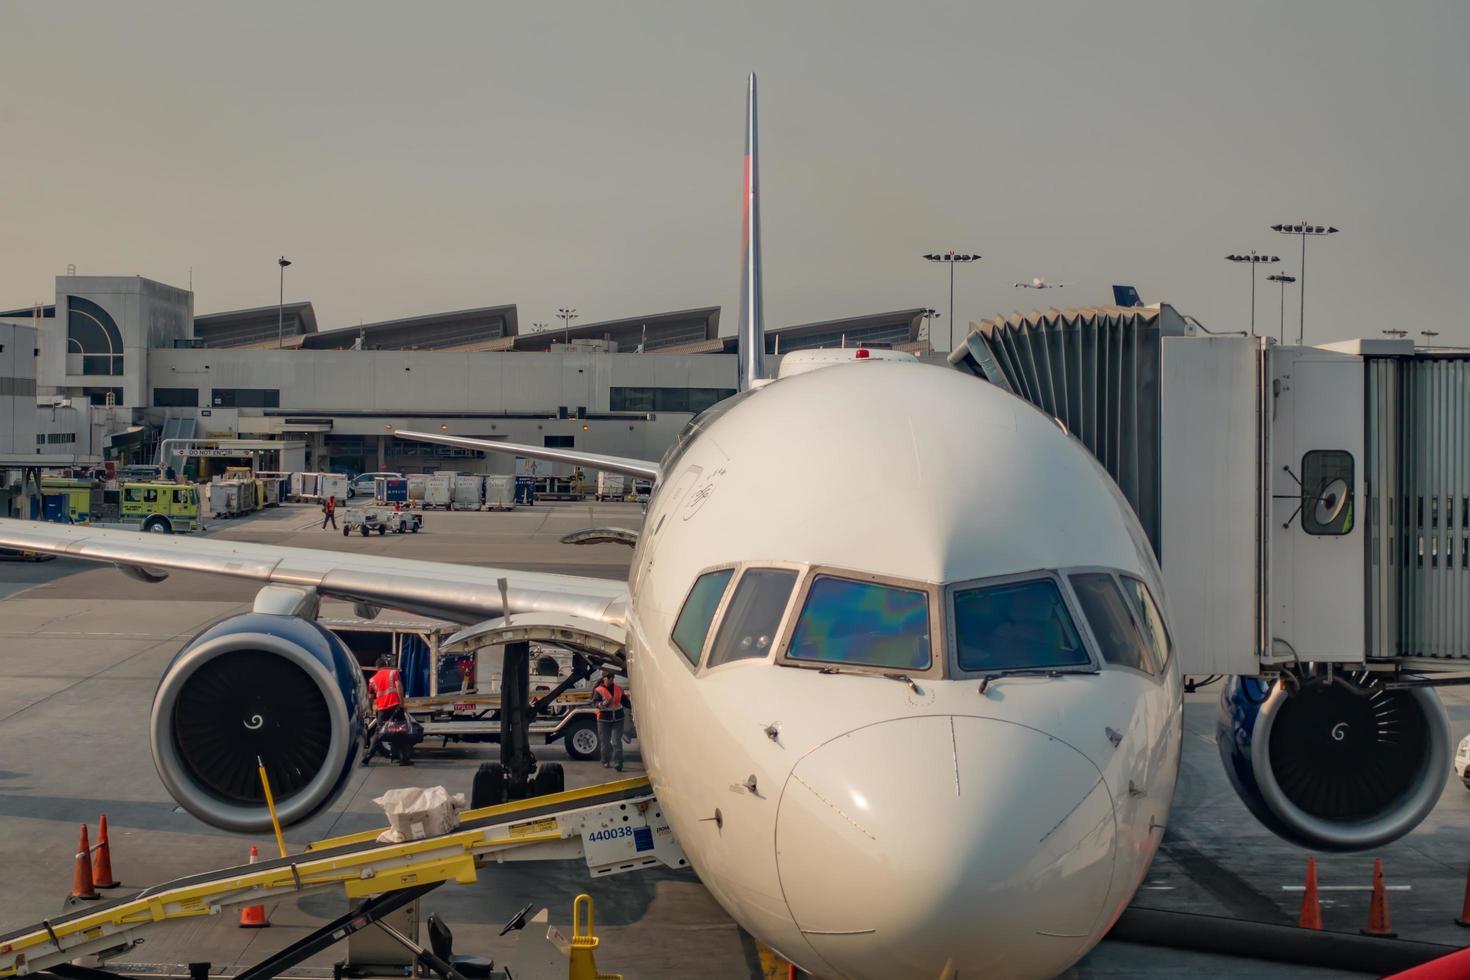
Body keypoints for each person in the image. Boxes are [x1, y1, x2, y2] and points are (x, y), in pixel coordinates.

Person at [362, 654, 414, 766]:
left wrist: (371, 708)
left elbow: (370, 697)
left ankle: (367, 757)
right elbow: (398, 685)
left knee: (378, 733)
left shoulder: (372, 679)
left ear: (377, 667)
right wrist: (401, 702)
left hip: (382, 709)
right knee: (400, 731)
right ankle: (403, 759)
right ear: (386, 665)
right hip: (394, 706)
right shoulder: (393, 673)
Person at [591, 667, 631, 772]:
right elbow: (595, 703)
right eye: (608, 677)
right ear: (603, 678)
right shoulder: (598, 690)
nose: (610, 679)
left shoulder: (619, 689)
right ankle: (605, 760)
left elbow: (626, 702)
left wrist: (635, 708)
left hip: (618, 719)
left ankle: (618, 762)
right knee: (605, 742)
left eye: (611, 677)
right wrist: (601, 704)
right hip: (603, 720)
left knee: (616, 741)